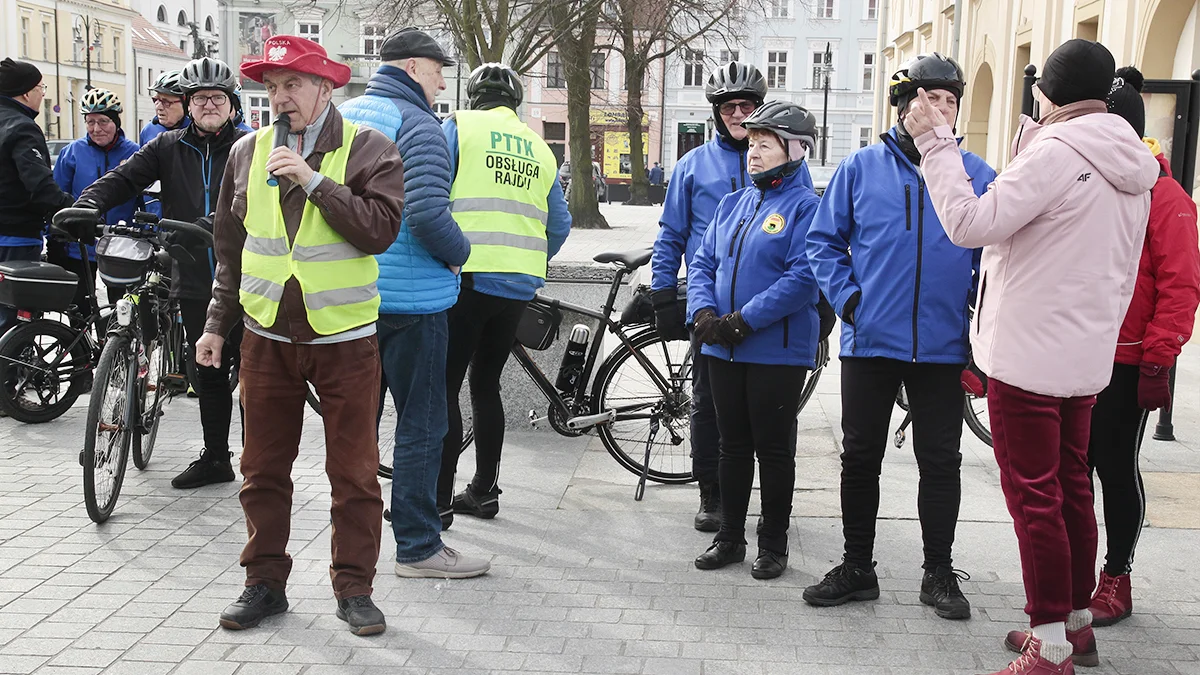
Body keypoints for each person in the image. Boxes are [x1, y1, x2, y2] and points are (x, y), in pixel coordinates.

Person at [907, 39, 1160, 673]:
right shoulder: (1129, 160)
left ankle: (1049, 644)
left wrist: (937, 146)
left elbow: (968, 223)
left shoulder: (1055, 152)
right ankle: (1075, 626)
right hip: (1083, 355)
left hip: (1027, 356)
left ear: (1049, 93)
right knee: (1073, 488)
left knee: (1035, 498)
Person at [198, 35, 404, 636]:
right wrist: (216, 325)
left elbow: (379, 231)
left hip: (345, 340)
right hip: (264, 340)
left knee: (355, 473)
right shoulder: (247, 150)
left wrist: (315, 182)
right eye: (272, 87)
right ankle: (264, 582)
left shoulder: (370, 149)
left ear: (325, 87)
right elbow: (230, 250)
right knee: (261, 468)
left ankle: (354, 589)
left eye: (292, 85)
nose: (280, 98)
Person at [804, 52, 996, 621]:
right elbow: (823, 243)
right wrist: (851, 300)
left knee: (941, 459)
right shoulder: (860, 168)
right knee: (860, 456)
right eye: (929, 99)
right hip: (871, 342)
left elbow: (993, 261)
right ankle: (857, 567)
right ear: (903, 106)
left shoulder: (977, 174)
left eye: (950, 101)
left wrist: (976, 323)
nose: (940, 110)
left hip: (942, 346)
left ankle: (938, 571)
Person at [338, 27, 490, 579]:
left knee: (355, 427)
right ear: (411, 68)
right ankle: (419, 547)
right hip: (413, 302)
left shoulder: (345, 115)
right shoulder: (419, 124)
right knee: (422, 425)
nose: (442, 81)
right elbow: (425, 214)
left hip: (350, 296)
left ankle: (351, 550)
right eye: (437, 69)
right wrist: (461, 252)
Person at [74, 57, 249, 489]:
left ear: (232, 104)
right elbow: (123, 178)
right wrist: (86, 205)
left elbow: (256, 201)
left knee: (256, 375)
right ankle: (215, 457)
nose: (209, 104)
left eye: (218, 97)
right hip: (191, 278)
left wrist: (212, 224)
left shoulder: (251, 144)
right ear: (188, 105)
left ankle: (260, 462)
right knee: (207, 369)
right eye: (200, 98)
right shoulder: (167, 146)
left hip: (247, 276)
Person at [651, 62, 799, 533]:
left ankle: (763, 508)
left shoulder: (783, 168)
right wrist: (663, 293)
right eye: (729, 107)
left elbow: (809, 251)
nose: (738, 114)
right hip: (710, 313)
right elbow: (672, 234)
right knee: (708, 406)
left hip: (766, 319)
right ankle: (712, 493)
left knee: (764, 420)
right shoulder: (692, 166)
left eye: (747, 107)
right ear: (716, 113)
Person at [1077, 67, 1199, 628]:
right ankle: (1074, 577)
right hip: (1075, 352)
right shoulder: (1083, 183)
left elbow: (1180, 284)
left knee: (1113, 465)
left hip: (1128, 360)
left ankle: (1116, 576)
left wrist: (1158, 356)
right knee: (1069, 469)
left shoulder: (1167, 196)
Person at [687, 101, 822, 580]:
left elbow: (803, 278)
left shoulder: (808, 208)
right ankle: (730, 538)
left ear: (796, 150)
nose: (754, 153)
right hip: (722, 346)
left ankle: (774, 543)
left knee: (773, 448)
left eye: (766, 145)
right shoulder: (733, 203)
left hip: (774, 350)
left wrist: (743, 320)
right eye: (752, 144)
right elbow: (703, 263)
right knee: (731, 445)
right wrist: (702, 312)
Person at [438, 62, 571, 523]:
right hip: (516, 286)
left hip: (465, 278)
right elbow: (560, 224)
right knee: (486, 384)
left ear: (474, 96)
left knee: (445, 387)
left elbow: (431, 198)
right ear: (515, 102)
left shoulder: (457, 126)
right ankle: (484, 490)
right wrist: (527, 260)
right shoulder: (539, 147)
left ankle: (437, 502)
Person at [0, 58, 74, 337]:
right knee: (14, 320)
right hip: (15, 237)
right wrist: (69, 210)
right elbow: (39, 183)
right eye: (40, 87)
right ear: (26, 93)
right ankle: (13, 378)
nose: (43, 93)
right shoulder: (22, 127)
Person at [52, 88, 141, 314]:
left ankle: (116, 349)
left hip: (121, 243)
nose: (96, 129)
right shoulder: (72, 152)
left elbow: (146, 198)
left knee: (122, 309)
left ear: (116, 122)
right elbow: (58, 194)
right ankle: (84, 350)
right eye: (90, 122)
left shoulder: (135, 152)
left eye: (103, 121)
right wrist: (54, 234)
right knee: (78, 310)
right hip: (79, 243)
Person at [140, 71, 189, 145]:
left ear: (185, 103)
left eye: (166, 102)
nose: (158, 107)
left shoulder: (198, 132)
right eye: (156, 100)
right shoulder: (148, 130)